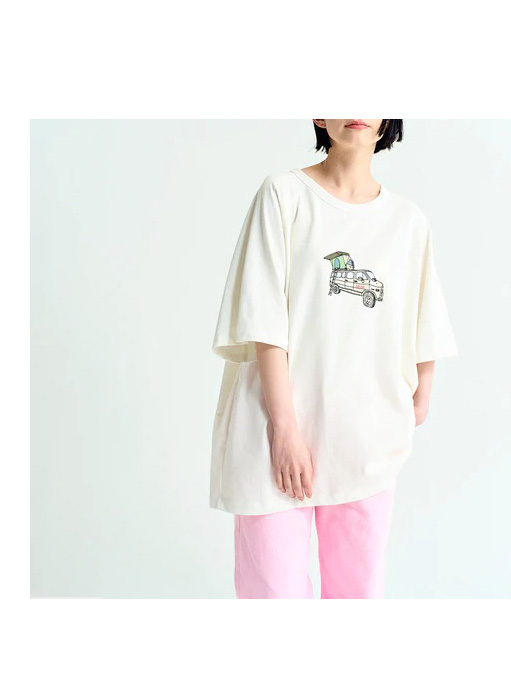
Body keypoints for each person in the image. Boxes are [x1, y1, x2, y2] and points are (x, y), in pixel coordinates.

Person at [210, 119, 458, 599]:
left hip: (366, 438)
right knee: (273, 594)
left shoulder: (407, 220)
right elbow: (263, 321)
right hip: (274, 432)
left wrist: (418, 398)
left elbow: (424, 318)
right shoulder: (283, 196)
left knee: (356, 594)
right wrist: (285, 430)